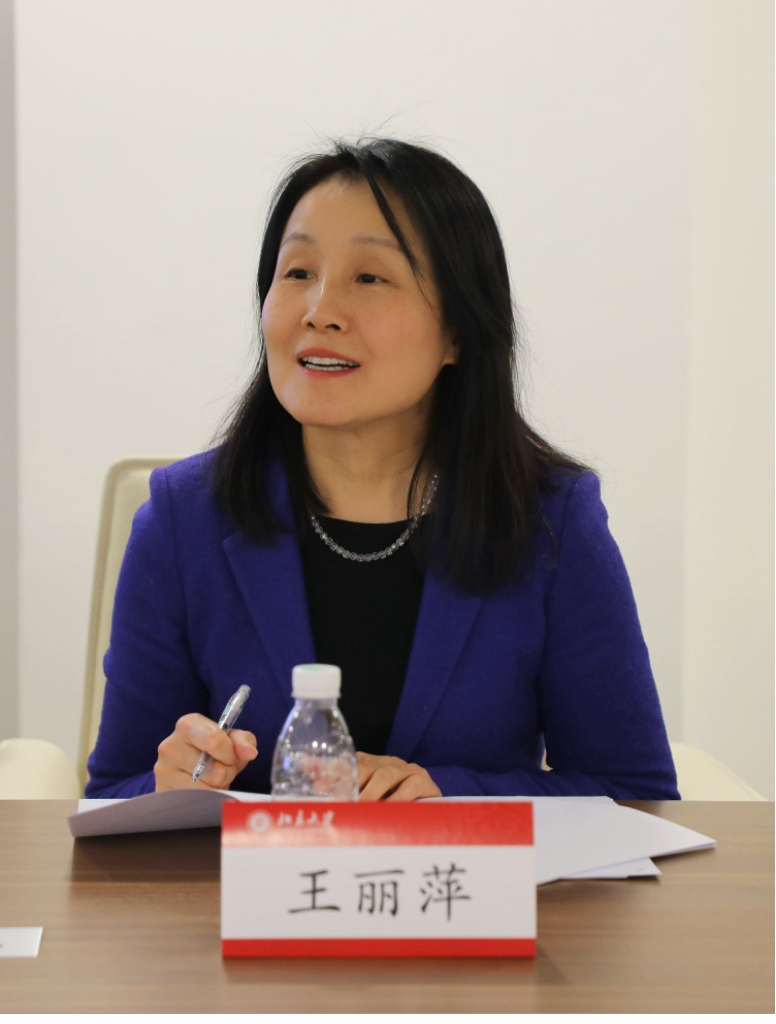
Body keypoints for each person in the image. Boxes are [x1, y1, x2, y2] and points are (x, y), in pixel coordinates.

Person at [85, 138, 679, 801]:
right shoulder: (182, 519)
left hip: (464, 873)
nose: (320, 311)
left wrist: (445, 796)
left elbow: (633, 791)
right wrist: (165, 785)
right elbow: (111, 792)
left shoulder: (550, 519)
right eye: (297, 272)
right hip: (250, 874)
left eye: (369, 278)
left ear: (459, 330)